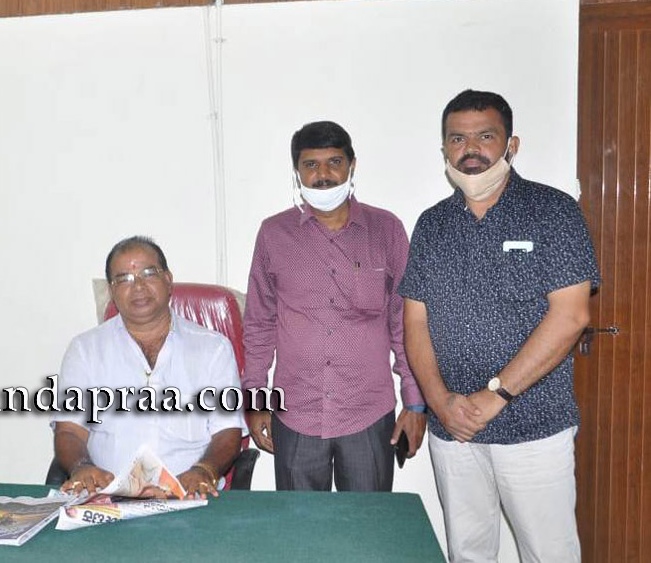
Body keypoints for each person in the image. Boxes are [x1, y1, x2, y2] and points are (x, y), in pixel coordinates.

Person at [399, 89, 598, 563]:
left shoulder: (553, 212)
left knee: (549, 554)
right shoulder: (432, 225)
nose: (470, 149)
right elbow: (415, 322)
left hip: (533, 428)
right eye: (457, 139)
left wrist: (495, 397)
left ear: (512, 145)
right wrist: (440, 403)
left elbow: (571, 316)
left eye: (485, 136)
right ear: (444, 149)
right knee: (467, 553)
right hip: (453, 431)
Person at [242, 121, 426, 492]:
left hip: (367, 412)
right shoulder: (273, 234)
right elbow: (259, 323)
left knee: (368, 525)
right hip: (295, 413)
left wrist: (415, 402)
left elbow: (403, 322)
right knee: (300, 525)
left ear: (352, 166)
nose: (323, 175)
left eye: (334, 162)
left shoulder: (386, 230)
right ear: (297, 171)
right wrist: (255, 400)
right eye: (311, 165)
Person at [51, 236, 245, 499]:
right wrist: (82, 467)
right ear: (112, 291)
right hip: (109, 497)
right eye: (124, 279)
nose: (138, 286)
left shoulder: (213, 349)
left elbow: (227, 431)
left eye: (148, 273)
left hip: (189, 496)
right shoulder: (85, 349)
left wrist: (204, 470)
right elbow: (69, 430)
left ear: (168, 280)